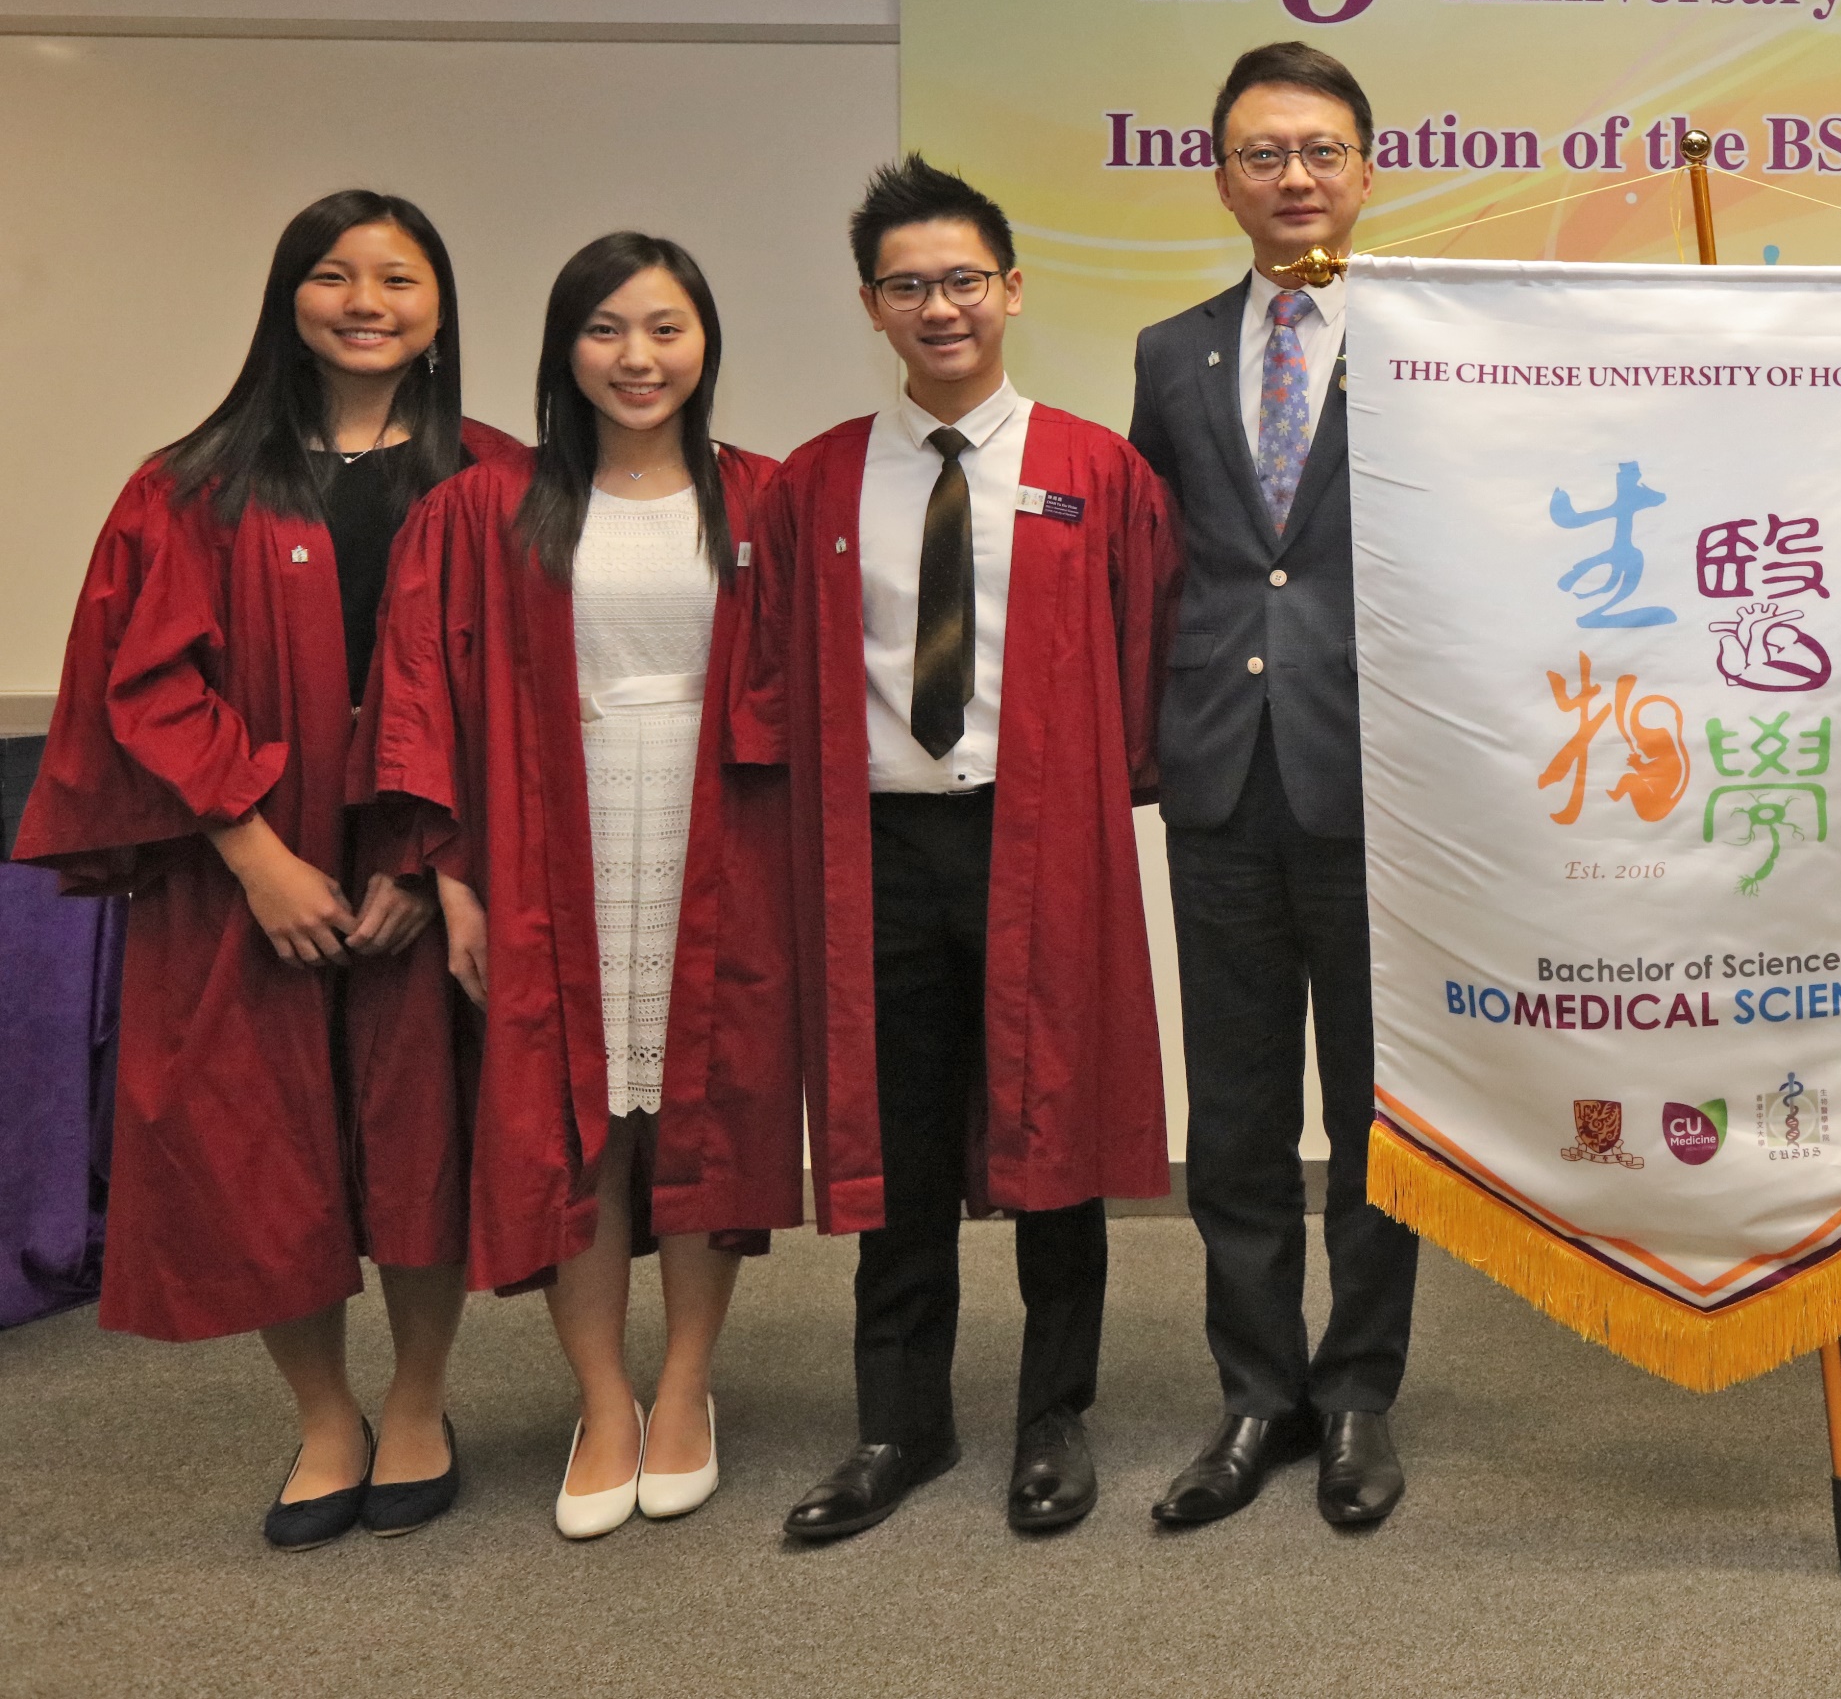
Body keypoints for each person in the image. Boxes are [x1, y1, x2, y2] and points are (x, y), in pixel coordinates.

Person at [16, 190, 508, 1547]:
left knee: (419, 1138)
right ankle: (324, 1418)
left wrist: (430, 854)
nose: (368, 300)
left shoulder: (494, 475)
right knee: (259, 1149)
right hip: (247, 870)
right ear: (289, 296)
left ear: (440, 305)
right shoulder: (190, 483)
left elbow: (517, 688)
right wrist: (257, 850)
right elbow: (144, 681)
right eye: (336, 275)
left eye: (399, 277)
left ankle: (417, 1399)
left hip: (424, 866)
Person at [754, 157, 1178, 1542]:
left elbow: (1145, 652)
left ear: (1011, 288)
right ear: (872, 305)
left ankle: (1053, 1417)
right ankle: (901, 1422)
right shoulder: (817, 481)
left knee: (1051, 1131)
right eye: (908, 286)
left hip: (1035, 837)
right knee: (901, 1138)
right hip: (877, 848)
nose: (941, 307)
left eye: (963, 280)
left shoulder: (1090, 470)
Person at [368, 233, 804, 1537]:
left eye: (666, 327)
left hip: (724, 839)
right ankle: (602, 1399)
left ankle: (684, 1389)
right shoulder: (482, 511)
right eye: (607, 329)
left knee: (701, 1116)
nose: (638, 356)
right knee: (580, 1121)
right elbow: (423, 700)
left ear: (706, 344)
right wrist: (454, 883)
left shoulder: (764, 499)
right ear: (565, 350)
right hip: (552, 840)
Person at [1129, 42, 1420, 1530]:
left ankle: (1361, 1390)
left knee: (1379, 1111)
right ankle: (1257, 1394)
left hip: (1385, 778)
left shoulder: (1436, 342)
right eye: (1262, 154)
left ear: (1368, 167)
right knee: (1236, 1115)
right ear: (1222, 175)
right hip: (1221, 781)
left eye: (1319, 150)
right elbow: (1146, 564)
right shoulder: (1169, 354)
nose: (1294, 177)